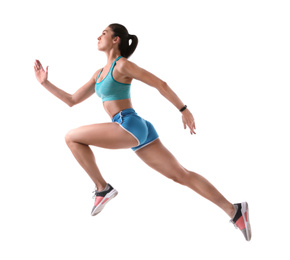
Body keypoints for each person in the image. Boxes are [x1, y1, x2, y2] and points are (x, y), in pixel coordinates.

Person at [34, 23, 251, 241]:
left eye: (104, 33)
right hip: (139, 129)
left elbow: (160, 84)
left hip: (127, 124)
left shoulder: (122, 65)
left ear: (116, 39)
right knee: (181, 175)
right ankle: (234, 210)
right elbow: (72, 100)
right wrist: (46, 83)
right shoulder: (98, 74)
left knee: (71, 137)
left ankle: (102, 188)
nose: (98, 36)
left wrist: (183, 109)